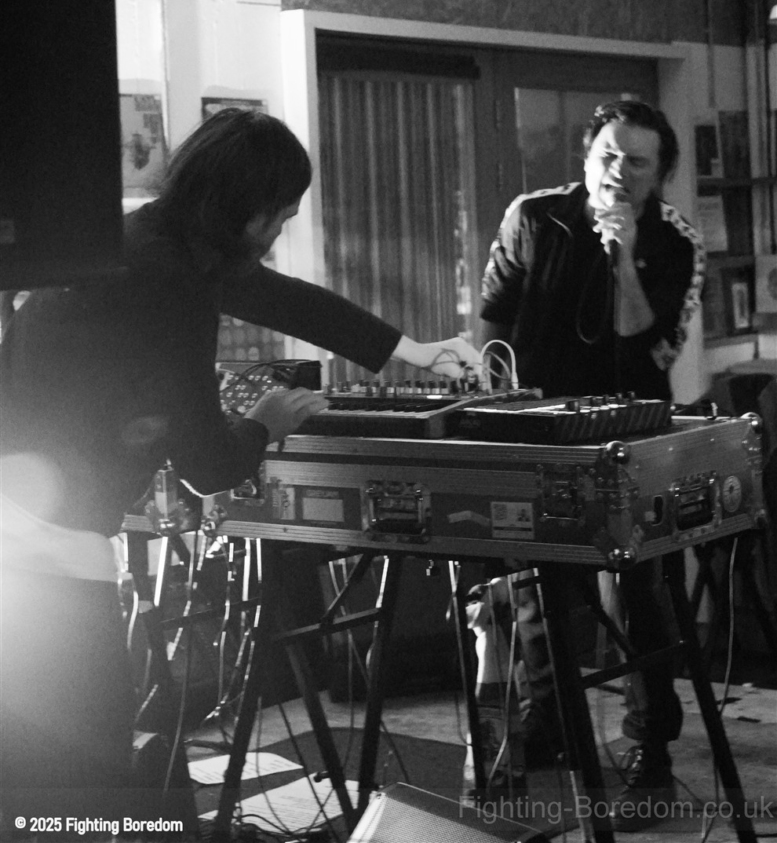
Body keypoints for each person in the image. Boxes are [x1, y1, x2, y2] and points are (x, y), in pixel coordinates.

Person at [0, 108, 482, 836]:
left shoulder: (142, 237)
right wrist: (266, 421)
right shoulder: (171, 281)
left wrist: (412, 351)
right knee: (82, 783)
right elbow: (208, 465)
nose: (280, 231)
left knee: (48, 769)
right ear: (246, 211)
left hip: (24, 525)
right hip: (51, 553)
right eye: (280, 217)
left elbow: (275, 295)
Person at [479, 100, 705, 831]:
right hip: (538, 429)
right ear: (585, 156)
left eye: (636, 162)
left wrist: (625, 253)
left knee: (640, 593)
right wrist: (493, 402)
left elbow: (646, 340)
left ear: (658, 174)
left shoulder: (675, 240)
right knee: (535, 585)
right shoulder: (533, 217)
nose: (618, 171)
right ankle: (548, 722)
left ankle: (650, 750)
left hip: (631, 436)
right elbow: (493, 319)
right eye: (608, 155)